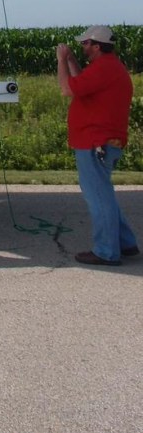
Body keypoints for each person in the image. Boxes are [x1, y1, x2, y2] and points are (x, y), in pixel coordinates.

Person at [56, 25, 139, 267]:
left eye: (85, 43)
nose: (82, 46)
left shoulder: (104, 68)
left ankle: (106, 251)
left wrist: (61, 61)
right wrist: (71, 59)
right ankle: (125, 243)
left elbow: (67, 88)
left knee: (99, 197)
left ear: (97, 45)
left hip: (95, 142)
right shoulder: (109, 67)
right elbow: (82, 83)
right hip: (101, 141)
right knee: (105, 195)